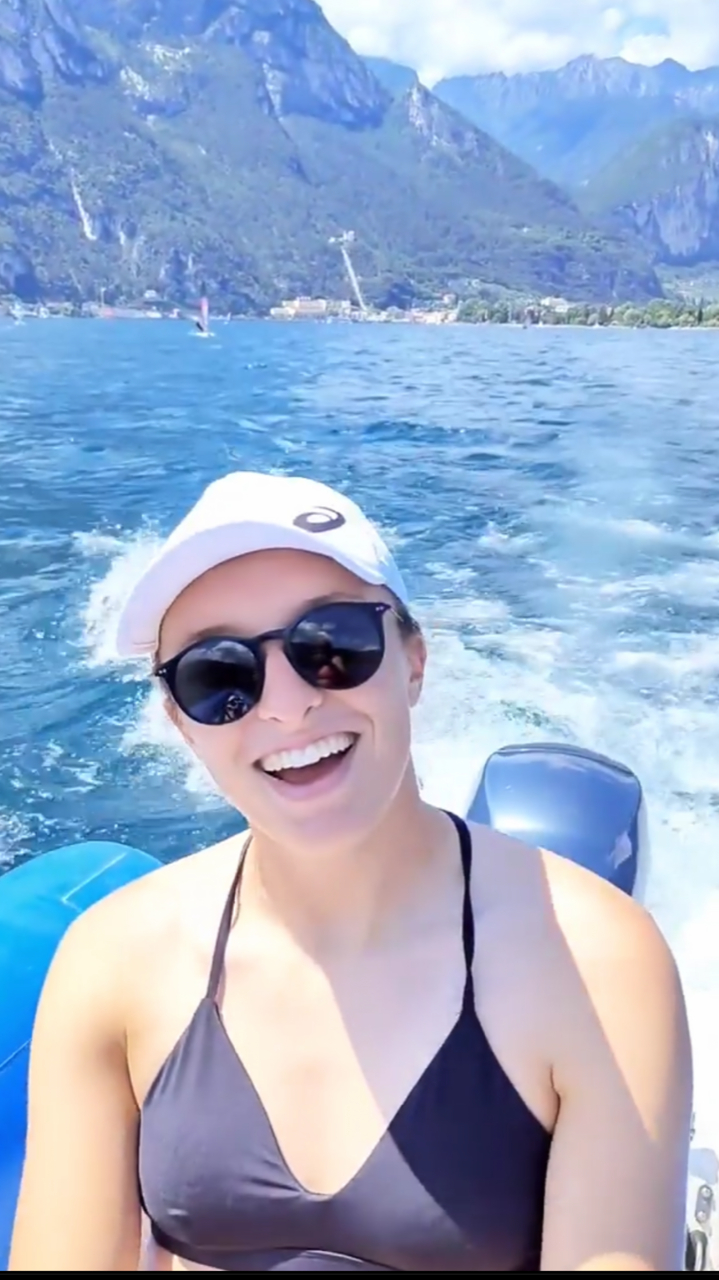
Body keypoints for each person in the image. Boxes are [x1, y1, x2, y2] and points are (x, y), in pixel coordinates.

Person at [10, 471, 692, 1272]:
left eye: (330, 645)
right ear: (182, 724)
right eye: (217, 676)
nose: (286, 704)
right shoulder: (111, 962)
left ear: (413, 661)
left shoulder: (594, 963)